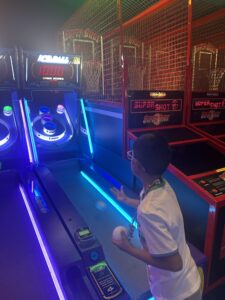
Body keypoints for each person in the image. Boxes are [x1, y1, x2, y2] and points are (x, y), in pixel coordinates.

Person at [111, 133, 202, 300]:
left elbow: (174, 264)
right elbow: (155, 211)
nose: (130, 158)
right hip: (188, 281)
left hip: (177, 294)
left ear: (137, 165)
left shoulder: (149, 211)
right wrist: (127, 200)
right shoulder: (161, 185)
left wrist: (127, 248)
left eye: (132, 155)